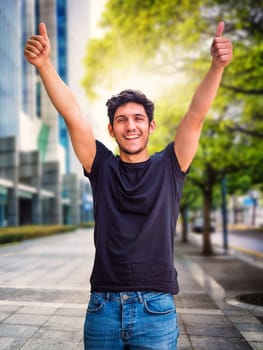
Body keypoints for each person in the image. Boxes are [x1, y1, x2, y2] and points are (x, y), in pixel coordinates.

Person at [24, 21, 232, 349]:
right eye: (121, 120)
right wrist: (45, 65)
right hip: (102, 308)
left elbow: (195, 116)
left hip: (156, 309)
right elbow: (73, 115)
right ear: (111, 129)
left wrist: (217, 66)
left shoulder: (171, 165)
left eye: (138, 119)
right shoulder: (102, 166)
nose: (130, 126)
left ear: (151, 126)